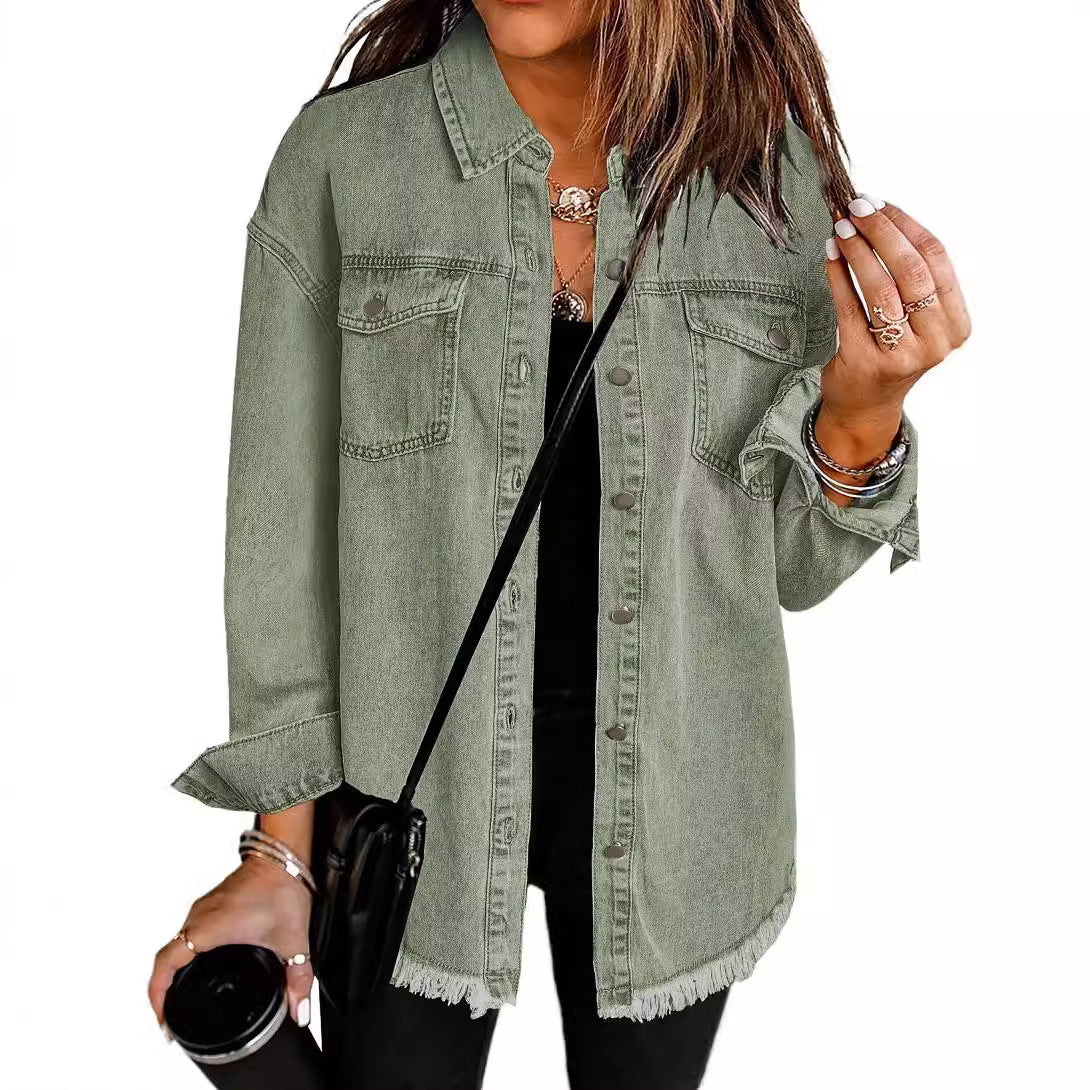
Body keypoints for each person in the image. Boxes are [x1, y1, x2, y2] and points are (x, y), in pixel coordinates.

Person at [148, 1, 970, 1087]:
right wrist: (278, 850)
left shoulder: (768, 179)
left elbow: (792, 568)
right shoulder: (346, 158)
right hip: (406, 795)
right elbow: (280, 541)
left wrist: (866, 410)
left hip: (683, 806)